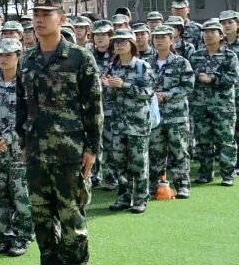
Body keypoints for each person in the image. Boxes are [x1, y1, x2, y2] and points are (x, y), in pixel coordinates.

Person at [17, 0, 102, 265]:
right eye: (36, 14)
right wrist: (23, 142)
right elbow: (21, 105)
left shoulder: (79, 58)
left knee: (71, 216)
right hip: (37, 151)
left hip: (70, 151)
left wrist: (92, 148)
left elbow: (94, 106)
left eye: (46, 14)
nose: (39, 19)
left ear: (61, 18)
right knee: (41, 217)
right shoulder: (27, 59)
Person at [0, 38, 33, 256]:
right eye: (0, 54)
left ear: (18, 56)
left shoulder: (27, 84)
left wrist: (9, 138)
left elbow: (31, 117)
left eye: (8, 55)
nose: (3, 58)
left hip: (19, 150)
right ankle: (5, 235)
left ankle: (23, 236)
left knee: (21, 195)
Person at [102, 28, 154, 213]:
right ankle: (124, 197)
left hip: (137, 124)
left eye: (123, 41)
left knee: (138, 163)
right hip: (117, 124)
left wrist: (123, 85)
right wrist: (106, 87)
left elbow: (148, 93)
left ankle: (140, 199)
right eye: (116, 42)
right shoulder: (111, 67)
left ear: (132, 44)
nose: (119, 45)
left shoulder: (141, 66)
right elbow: (107, 97)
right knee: (119, 163)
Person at [188, 19, 238, 186]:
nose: (208, 35)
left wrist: (213, 79)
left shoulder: (229, 55)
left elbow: (233, 77)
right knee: (203, 141)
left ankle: (228, 174)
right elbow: (189, 78)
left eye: (212, 32)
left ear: (221, 35)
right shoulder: (195, 56)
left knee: (225, 141)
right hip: (200, 105)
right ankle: (205, 173)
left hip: (222, 105)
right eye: (205, 32)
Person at [148, 25, 194, 198]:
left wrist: (166, 95)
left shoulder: (181, 62)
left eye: (163, 37)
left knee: (179, 151)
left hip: (176, 116)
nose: (159, 40)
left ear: (172, 40)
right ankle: (154, 187)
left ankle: (182, 185)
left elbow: (188, 86)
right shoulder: (147, 63)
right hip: (155, 117)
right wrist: (152, 95)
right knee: (155, 153)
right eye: (156, 37)